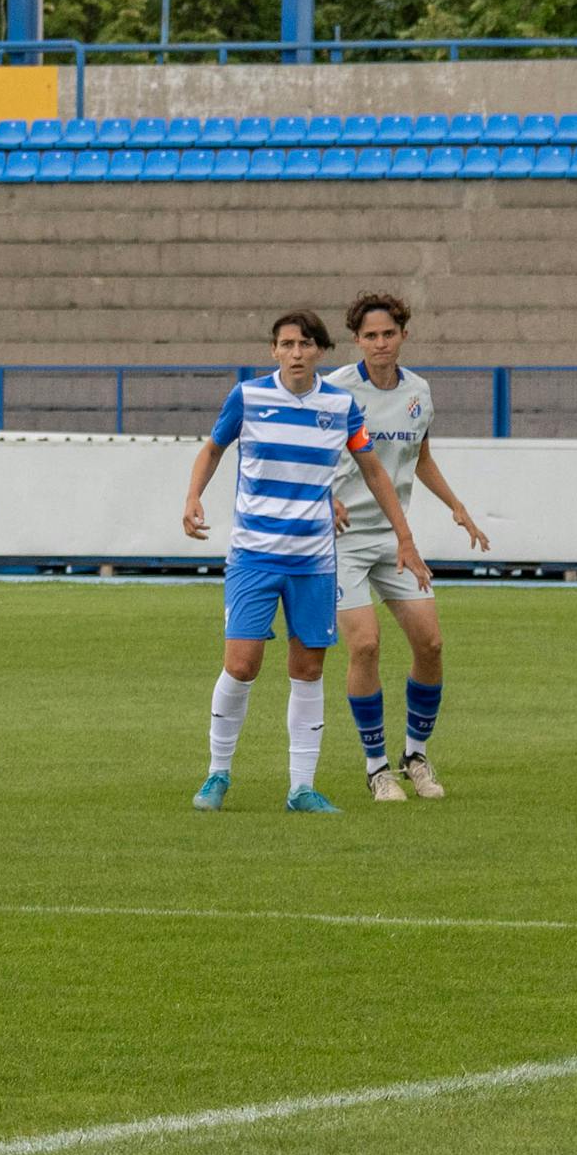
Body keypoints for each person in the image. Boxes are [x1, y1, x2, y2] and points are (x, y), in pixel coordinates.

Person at [179, 309, 429, 814]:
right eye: (286, 344)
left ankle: (301, 787)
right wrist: (192, 497)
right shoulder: (248, 397)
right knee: (241, 664)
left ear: (319, 351)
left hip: (313, 561)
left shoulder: (339, 406)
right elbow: (212, 449)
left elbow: (374, 472)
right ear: (274, 351)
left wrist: (405, 537)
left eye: (304, 345)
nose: (295, 353)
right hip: (254, 555)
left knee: (308, 668)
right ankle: (217, 773)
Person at [322, 293, 492, 802]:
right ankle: (376, 767)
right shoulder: (335, 391)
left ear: (403, 335)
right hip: (343, 540)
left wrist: (455, 505)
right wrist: (325, 496)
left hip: (395, 540)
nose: (380, 343)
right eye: (370, 336)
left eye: (388, 334)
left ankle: (414, 755)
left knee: (431, 643)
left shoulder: (418, 390)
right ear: (356, 340)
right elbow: (307, 455)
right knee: (365, 645)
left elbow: (420, 457)